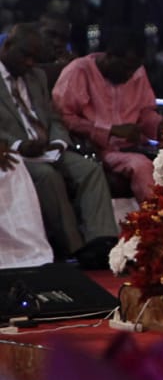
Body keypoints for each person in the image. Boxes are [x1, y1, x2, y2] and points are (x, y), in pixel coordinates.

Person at [0, 26, 117, 266]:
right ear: (7, 47)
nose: (30, 63)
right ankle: (76, 249)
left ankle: (103, 242)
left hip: (47, 147)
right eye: (25, 55)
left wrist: (59, 141)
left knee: (90, 169)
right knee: (46, 176)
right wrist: (20, 145)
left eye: (35, 58)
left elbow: (53, 118)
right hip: (15, 152)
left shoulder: (37, 76)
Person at [51, 26, 162, 201]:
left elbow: (145, 113)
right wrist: (110, 130)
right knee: (141, 166)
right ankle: (154, 220)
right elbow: (63, 117)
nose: (130, 75)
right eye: (126, 68)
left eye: (133, 69)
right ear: (109, 56)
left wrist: (161, 125)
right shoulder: (78, 71)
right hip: (96, 149)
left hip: (136, 146)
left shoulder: (136, 71)